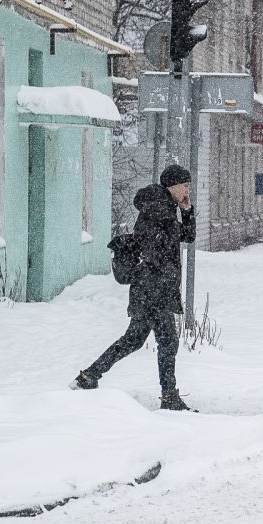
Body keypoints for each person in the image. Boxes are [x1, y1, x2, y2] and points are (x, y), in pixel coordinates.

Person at [71, 164, 197, 411]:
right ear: (171, 185)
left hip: (152, 289)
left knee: (133, 340)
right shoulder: (156, 210)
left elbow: (187, 237)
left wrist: (187, 211)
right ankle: (169, 396)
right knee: (168, 342)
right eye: (185, 185)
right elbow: (153, 250)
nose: (187, 190)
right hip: (153, 290)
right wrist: (162, 279)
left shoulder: (167, 209)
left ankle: (89, 376)